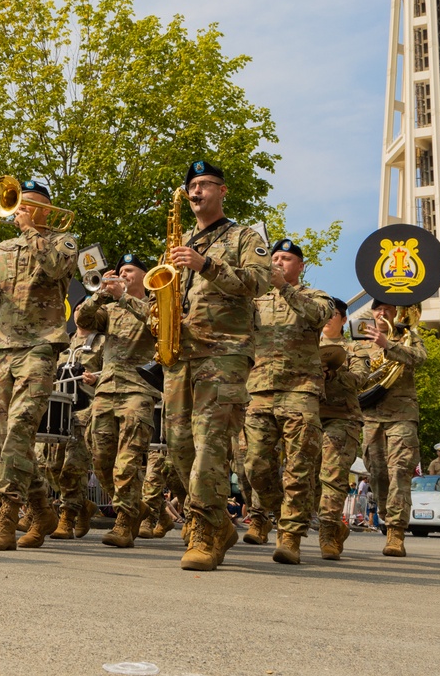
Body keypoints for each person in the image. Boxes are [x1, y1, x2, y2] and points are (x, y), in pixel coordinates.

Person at [163, 160, 271, 571]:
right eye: (192, 185)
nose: (196, 192)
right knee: (179, 446)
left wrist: (205, 264)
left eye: (205, 185)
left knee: (210, 443)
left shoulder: (245, 237)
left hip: (224, 351)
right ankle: (219, 522)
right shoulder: (179, 241)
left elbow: (258, 284)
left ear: (223, 191)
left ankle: (206, 531)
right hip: (180, 353)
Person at [0, 179, 78, 551]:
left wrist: (31, 231)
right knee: (4, 434)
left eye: (30, 205)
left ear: (46, 210)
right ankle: (42, 506)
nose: (21, 210)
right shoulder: (3, 248)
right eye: (19, 204)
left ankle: (7, 517)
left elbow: (56, 269)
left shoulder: (63, 240)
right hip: (1, 346)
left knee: (19, 427)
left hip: (40, 346)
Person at [243, 238, 334, 565]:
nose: (278, 263)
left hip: (301, 391)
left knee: (299, 468)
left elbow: (318, 317)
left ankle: (290, 535)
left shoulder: (315, 296)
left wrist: (285, 289)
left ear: (300, 266)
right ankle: (279, 508)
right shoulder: (255, 301)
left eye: (285, 259)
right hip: (261, 389)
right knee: (254, 466)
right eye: (275, 258)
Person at [76, 252, 160, 547]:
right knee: (100, 460)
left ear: (143, 275)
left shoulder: (156, 304)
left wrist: (123, 295)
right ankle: (135, 506)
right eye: (120, 271)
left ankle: (124, 521)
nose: (122, 274)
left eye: (129, 270)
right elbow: (83, 320)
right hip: (107, 390)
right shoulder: (110, 311)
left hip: (138, 390)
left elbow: (156, 324)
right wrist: (99, 295)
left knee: (127, 461)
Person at [361, 299, 427, 558]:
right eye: (378, 309)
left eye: (388, 309)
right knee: (377, 473)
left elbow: (420, 359)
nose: (383, 313)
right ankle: (385, 517)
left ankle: (396, 532)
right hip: (370, 415)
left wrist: (387, 345)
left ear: (395, 312)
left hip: (402, 415)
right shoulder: (360, 338)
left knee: (399, 471)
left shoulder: (408, 336)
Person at [316, 298, 370, 560]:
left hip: (342, 418)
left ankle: (327, 534)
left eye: (334, 313)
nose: (328, 318)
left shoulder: (355, 349)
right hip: (307, 416)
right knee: (303, 479)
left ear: (344, 320)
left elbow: (359, 379)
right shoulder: (306, 345)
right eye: (324, 312)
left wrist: (333, 373)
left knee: (334, 477)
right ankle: (336, 527)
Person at [42, 321, 103, 541]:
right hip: (60, 410)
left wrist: (97, 379)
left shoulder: (102, 342)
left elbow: (115, 373)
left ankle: (67, 516)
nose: (81, 310)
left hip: (86, 410)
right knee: (50, 466)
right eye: (78, 307)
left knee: (73, 467)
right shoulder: (64, 341)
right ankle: (84, 505)